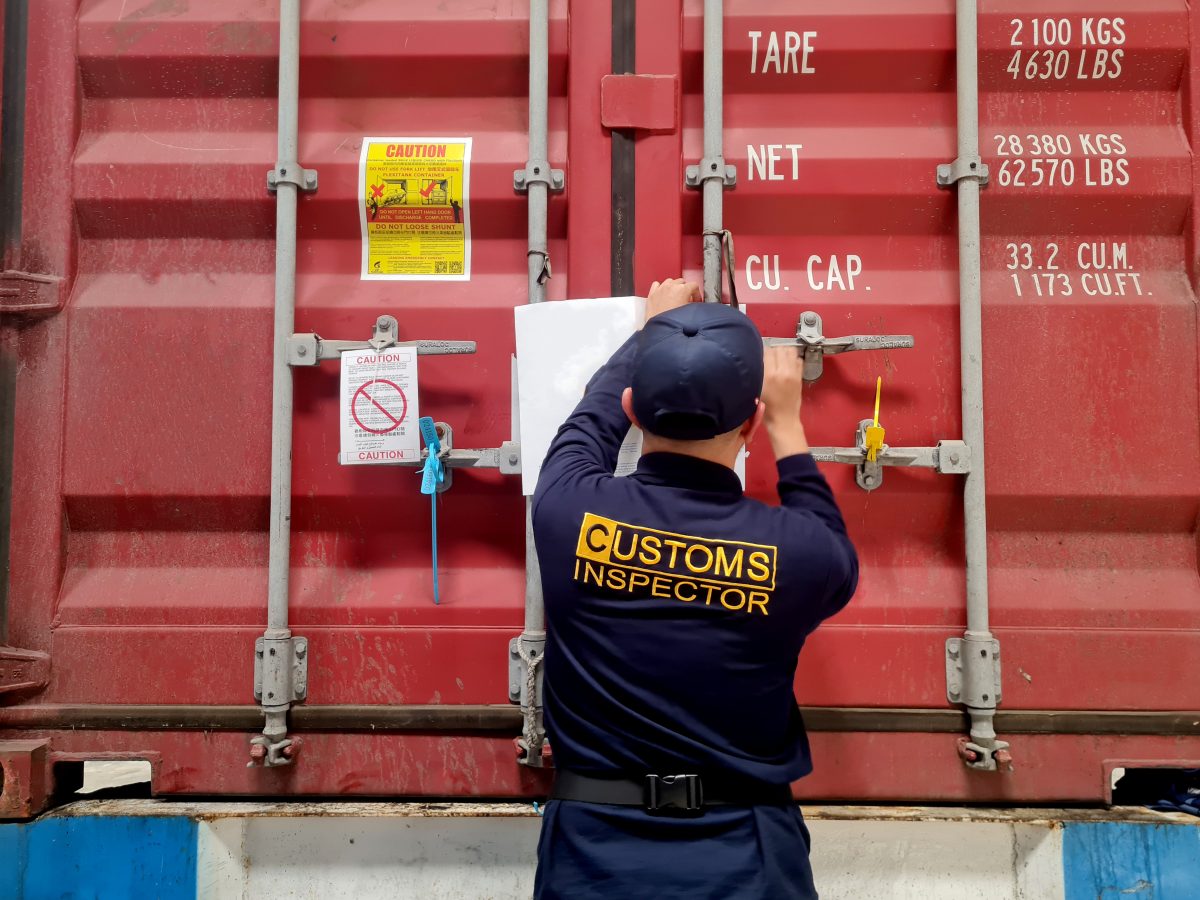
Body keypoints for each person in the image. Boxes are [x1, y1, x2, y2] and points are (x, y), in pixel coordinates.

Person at [531, 278, 859, 899]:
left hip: (591, 855)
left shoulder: (566, 510)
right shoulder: (800, 554)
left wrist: (648, 331)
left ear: (633, 410)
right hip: (749, 858)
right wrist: (788, 424)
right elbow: (829, 538)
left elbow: (590, 421)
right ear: (751, 422)